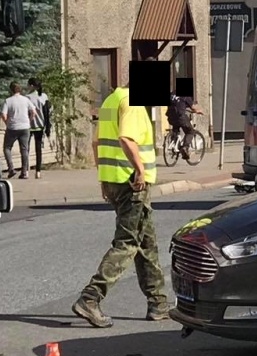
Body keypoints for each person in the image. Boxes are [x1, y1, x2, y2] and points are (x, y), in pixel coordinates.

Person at [72, 82, 169, 328]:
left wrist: (103, 179)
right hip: (132, 182)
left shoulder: (112, 100)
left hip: (114, 180)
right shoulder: (133, 103)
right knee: (127, 243)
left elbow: (96, 143)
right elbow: (126, 139)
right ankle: (91, 297)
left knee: (146, 243)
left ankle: (158, 303)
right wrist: (140, 169)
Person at [0, 82, 35, 180]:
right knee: (24, 149)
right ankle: (24, 172)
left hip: (12, 128)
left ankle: (11, 169)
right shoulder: (26, 100)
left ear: (11, 90)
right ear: (20, 89)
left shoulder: (8, 101)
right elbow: (33, 112)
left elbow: (3, 114)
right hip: (25, 127)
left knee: (7, 148)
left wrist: (7, 123)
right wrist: (29, 120)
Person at [27, 78, 50, 178]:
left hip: (29, 126)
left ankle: (26, 170)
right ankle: (38, 171)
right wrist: (47, 126)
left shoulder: (27, 98)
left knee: (26, 148)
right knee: (38, 149)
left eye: (28, 85)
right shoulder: (44, 96)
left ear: (32, 86)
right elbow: (46, 113)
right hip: (40, 126)